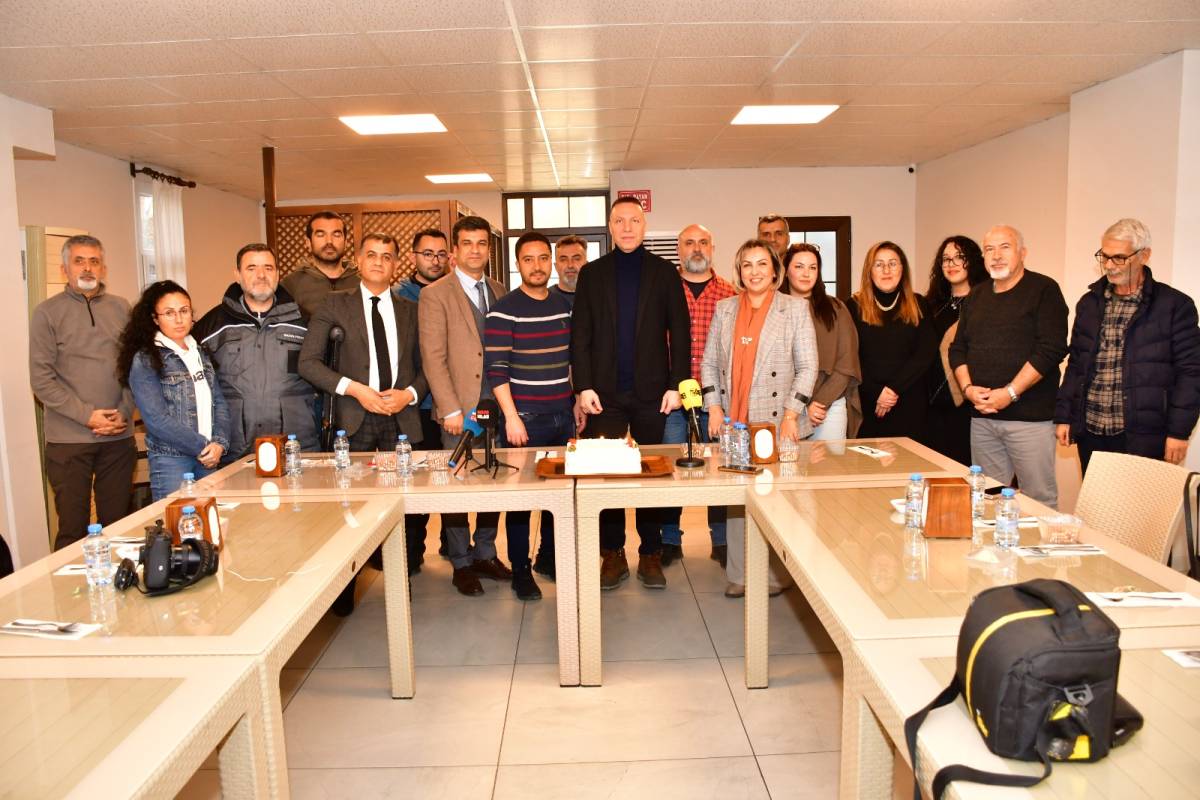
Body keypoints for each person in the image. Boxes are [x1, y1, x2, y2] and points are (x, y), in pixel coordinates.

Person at [298, 232, 426, 615]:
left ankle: (401, 581)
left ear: (395, 264)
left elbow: (428, 367)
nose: (379, 262)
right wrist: (354, 389)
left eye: (387, 256)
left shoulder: (411, 310)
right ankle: (344, 589)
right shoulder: (334, 304)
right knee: (349, 507)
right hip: (352, 420)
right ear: (358, 259)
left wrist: (409, 394)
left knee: (404, 505)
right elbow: (308, 363)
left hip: (400, 417)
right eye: (371, 255)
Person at [571, 197, 691, 590]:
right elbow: (580, 334)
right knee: (606, 476)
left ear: (644, 225)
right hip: (603, 394)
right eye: (619, 221)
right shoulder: (592, 274)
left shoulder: (664, 272)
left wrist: (676, 385)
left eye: (634, 220)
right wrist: (583, 386)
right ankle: (613, 552)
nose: (626, 227)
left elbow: (681, 332)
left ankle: (650, 553)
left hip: (652, 394)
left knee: (651, 474)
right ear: (610, 227)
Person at [701, 239, 817, 597]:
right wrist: (714, 406)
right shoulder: (724, 309)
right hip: (735, 423)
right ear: (739, 272)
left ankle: (775, 576)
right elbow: (709, 363)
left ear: (775, 271)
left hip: (777, 423)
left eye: (762, 264)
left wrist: (792, 414)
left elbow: (808, 366)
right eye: (747, 265)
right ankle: (739, 575)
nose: (754, 271)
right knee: (739, 501)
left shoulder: (794, 308)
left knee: (778, 502)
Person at [1056, 218, 1200, 472]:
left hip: (1144, 435)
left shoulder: (1175, 306)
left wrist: (1178, 432)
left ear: (1144, 255)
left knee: (1139, 498)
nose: (1109, 265)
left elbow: (1192, 372)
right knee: (1095, 497)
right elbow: (1077, 363)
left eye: (1119, 258)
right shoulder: (1089, 303)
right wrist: (1065, 416)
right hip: (1091, 429)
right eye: (1105, 256)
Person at [418, 216, 511, 596]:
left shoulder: (500, 290)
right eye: (467, 243)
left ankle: (486, 552)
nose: (475, 250)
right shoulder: (435, 294)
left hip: (497, 405)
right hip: (459, 411)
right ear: (454, 250)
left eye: (481, 243)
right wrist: (450, 409)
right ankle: (460, 561)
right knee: (456, 487)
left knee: (495, 482)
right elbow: (433, 356)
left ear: (489, 250)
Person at [29, 235, 136, 550]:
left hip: (118, 436)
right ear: (64, 269)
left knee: (119, 526)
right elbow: (41, 379)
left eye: (94, 261)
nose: (87, 268)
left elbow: (135, 368)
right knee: (73, 531)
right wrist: (87, 416)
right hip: (69, 440)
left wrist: (124, 412)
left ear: (103, 268)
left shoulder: (122, 308)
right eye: (79, 261)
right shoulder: (47, 313)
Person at [950, 225, 1069, 508]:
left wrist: (1010, 393)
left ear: (1022, 252)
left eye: (1005, 247)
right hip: (983, 419)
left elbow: (1050, 349)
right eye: (989, 249)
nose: (996, 256)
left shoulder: (1044, 289)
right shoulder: (976, 296)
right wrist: (967, 389)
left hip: (1030, 420)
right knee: (986, 497)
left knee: (1038, 500)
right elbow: (958, 349)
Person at [484, 232, 575, 599]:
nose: (537, 266)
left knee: (559, 494)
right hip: (524, 418)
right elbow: (496, 369)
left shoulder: (563, 306)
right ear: (517, 264)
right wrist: (511, 417)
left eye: (542, 258)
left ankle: (548, 558)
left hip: (563, 416)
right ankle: (520, 569)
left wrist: (575, 404)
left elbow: (570, 360)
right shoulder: (503, 309)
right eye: (528, 259)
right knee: (521, 501)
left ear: (550, 262)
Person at [193, 243, 319, 462]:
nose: (261, 275)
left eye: (268, 268)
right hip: (235, 449)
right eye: (251, 268)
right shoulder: (211, 325)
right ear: (237, 275)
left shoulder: (305, 322)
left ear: (277, 274)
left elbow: (326, 377)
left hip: (296, 446)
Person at [660, 224, 735, 569]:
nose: (696, 248)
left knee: (718, 469)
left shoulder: (730, 294)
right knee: (670, 467)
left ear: (712, 248)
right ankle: (669, 540)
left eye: (703, 242)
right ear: (679, 249)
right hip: (671, 396)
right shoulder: (663, 289)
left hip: (715, 398)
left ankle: (720, 540)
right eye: (689, 243)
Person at [118, 280, 230, 500]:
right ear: (155, 319)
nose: (179, 319)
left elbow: (219, 402)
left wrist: (219, 444)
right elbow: (156, 419)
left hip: (208, 458)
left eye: (184, 311)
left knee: (210, 519)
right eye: (169, 313)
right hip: (172, 460)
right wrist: (204, 446)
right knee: (177, 520)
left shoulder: (200, 351)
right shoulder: (146, 359)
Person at [394, 228, 451, 573]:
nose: (435, 260)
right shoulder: (400, 297)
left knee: (453, 480)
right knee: (418, 484)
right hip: (415, 405)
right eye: (427, 254)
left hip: (450, 404)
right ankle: (412, 553)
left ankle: (453, 545)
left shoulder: (454, 291)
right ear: (414, 257)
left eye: (441, 254)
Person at [847, 241, 937, 440]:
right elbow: (850, 357)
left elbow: (925, 353)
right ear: (869, 271)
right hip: (868, 402)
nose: (886, 270)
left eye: (893, 263)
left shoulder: (919, 304)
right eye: (879, 264)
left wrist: (893, 390)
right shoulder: (853, 306)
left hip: (910, 401)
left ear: (902, 268)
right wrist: (877, 392)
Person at [780, 242, 863, 440]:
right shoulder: (775, 310)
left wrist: (819, 402)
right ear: (786, 271)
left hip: (827, 408)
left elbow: (847, 364)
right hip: (783, 407)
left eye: (812, 267)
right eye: (799, 266)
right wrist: (799, 406)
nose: (806, 273)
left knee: (830, 460)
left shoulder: (836, 309)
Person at [921, 236, 988, 465]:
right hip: (930, 405)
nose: (952, 264)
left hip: (966, 404)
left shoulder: (984, 304)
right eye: (946, 259)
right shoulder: (929, 305)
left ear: (973, 261)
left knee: (966, 471)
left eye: (959, 257)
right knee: (933, 471)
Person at [281, 211, 360, 318]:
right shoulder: (290, 285)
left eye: (336, 235)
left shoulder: (362, 282)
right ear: (308, 242)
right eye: (320, 235)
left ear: (346, 242)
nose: (329, 241)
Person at [550, 234, 588, 307]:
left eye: (576, 259)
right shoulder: (544, 299)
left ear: (586, 264)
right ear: (556, 266)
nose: (570, 265)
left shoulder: (600, 297)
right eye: (563, 260)